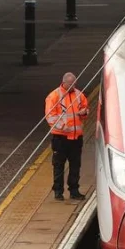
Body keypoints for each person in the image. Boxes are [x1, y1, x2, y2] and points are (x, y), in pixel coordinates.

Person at [45, 72, 89, 201]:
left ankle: (74, 190)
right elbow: (50, 116)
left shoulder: (79, 95)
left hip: (76, 138)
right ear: (64, 82)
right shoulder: (53, 96)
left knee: (75, 165)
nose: (73, 86)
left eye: (75, 83)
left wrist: (84, 112)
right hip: (60, 138)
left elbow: (85, 108)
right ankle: (58, 191)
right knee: (58, 165)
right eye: (71, 84)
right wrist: (64, 127)